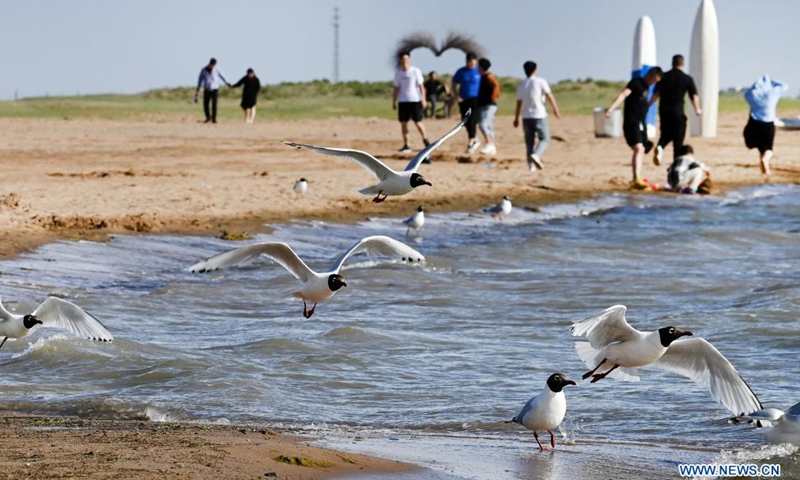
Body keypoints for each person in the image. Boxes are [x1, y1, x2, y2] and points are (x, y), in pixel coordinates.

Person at [605, 66, 664, 190]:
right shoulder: (636, 83)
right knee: (639, 148)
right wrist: (611, 108)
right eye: (655, 80)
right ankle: (635, 179)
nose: (654, 83)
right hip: (632, 122)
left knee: (642, 149)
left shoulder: (647, 87)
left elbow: (646, 102)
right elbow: (623, 95)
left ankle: (637, 177)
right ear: (650, 75)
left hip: (641, 123)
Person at [649, 55, 702, 165]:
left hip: (664, 112)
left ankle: (661, 146)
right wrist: (697, 109)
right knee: (678, 140)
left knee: (665, 134)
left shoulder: (663, 77)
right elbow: (694, 96)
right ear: (682, 64)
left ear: (672, 63)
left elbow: (656, 94)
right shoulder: (686, 78)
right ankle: (675, 165)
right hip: (678, 112)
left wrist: (648, 105)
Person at [513, 61, 562, 172]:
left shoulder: (522, 85)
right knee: (545, 139)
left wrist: (516, 118)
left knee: (529, 142)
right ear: (535, 70)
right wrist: (556, 109)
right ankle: (536, 154)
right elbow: (549, 96)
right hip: (539, 115)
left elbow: (519, 103)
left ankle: (531, 166)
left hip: (526, 116)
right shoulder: (540, 82)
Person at [743, 74, 789, 177]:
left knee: (760, 148)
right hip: (768, 124)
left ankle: (765, 172)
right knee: (768, 148)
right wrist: (773, 82)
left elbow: (746, 94)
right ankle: (765, 160)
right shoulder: (772, 93)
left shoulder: (753, 94)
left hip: (754, 124)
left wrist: (755, 86)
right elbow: (784, 86)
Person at [392, 52, 429, 154]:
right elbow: (396, 88)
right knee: (404, 123)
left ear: (409, 60)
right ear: (400, 60)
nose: (405, 61)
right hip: (403, 100)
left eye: (406, 59)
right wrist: (394, 101)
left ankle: (425, 140)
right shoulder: (398, 73)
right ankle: (407, 145)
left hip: (415, 100)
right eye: (403, 59)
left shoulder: (415, 71)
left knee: (418, 122)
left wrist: (423, 99)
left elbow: (421, 86)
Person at [452, 52, 482, 153]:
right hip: (463, 99)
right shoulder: (461, 71)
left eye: (472, 61)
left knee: (473, 120)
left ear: (476, 61)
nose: (470, 63)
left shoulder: (479, 71)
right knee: (465, 121)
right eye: (468, 61)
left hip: (476, 99)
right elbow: (454, 83)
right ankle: (474, 138)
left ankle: (471, 141)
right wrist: (456, 95)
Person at [194, 58, 231, 124]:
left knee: (214, 104)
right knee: (206, 104)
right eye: (212, 65)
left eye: (214, 65)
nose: (213, 66)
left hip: (215, 89)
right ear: (209, 64)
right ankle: (208, 118)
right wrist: (198, 89)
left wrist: (227, 83)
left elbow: (223, 76)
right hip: (207, 89)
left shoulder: (217, 69)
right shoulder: (203, 70)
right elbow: (200, 79)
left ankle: (214, 119)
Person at [476, 58, 500, 155]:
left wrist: (494, 96)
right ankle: (492, 146)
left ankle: (489, 143)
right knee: (489, 125)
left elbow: (496, 85)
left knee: (483, 124)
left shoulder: (489, 76)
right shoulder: (482, 77)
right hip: (483, 104)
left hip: (489, 104)